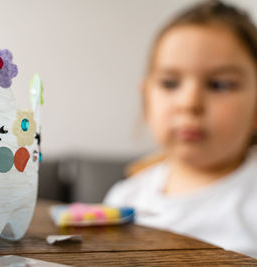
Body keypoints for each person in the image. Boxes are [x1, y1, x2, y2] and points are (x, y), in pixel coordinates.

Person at [104, 0, 257, 258]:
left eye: (219, 85)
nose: (190, 103)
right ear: (146, 99)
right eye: (170, 83)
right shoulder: (125, 197)